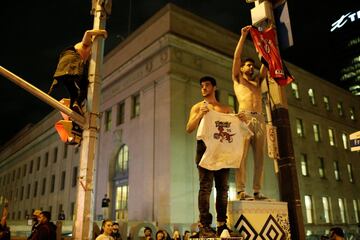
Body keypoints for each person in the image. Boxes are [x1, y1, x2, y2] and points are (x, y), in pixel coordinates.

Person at [186, 76, 234, 237]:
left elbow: (234, 130)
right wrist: (200, 114)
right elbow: (189, 128)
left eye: (207, 85)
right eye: (202, 86)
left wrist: (239, 119)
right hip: (204, 148)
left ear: (214, 87)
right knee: (205, 186)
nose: (204, 88)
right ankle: (205, 224)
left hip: (222, 148)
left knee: (223, 188)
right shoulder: (198, 107)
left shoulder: (225, 108)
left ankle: (222, 224)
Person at [232, 25, 268, 201]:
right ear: (242, 68)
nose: (250, 67)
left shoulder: (258, 83)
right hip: (244, 116)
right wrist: (243, 36)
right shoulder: (238, 79)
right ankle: (240, 189)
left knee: (260, 157)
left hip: (260, 118)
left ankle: (257, 191)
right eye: (248, 65)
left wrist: (267, 43)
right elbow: (236, 57)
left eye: (252, 65)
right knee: (242, 156)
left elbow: (266, 63)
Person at [49, 29, 107, 114]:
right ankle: (77, 103)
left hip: (66, 67)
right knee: (84, 86)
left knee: (76, 91)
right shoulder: (87, 44)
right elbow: (87, 33)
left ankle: (75, 107)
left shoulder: (85, 56)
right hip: (72, 62)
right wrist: (101, 32)